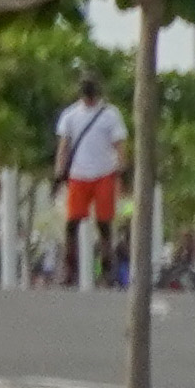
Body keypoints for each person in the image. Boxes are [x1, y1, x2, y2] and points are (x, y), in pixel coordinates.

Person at [54, 79, 131, 282]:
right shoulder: (70, 115)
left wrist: (122, 172)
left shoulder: (110, 115)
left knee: (104, 224)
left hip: (104, 173)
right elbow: (64, 146)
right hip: (78, 175)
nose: (89, 99)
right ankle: (69, 267)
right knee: (72, 223)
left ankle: (107, 268)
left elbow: (119, 145)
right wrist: (59, 172)